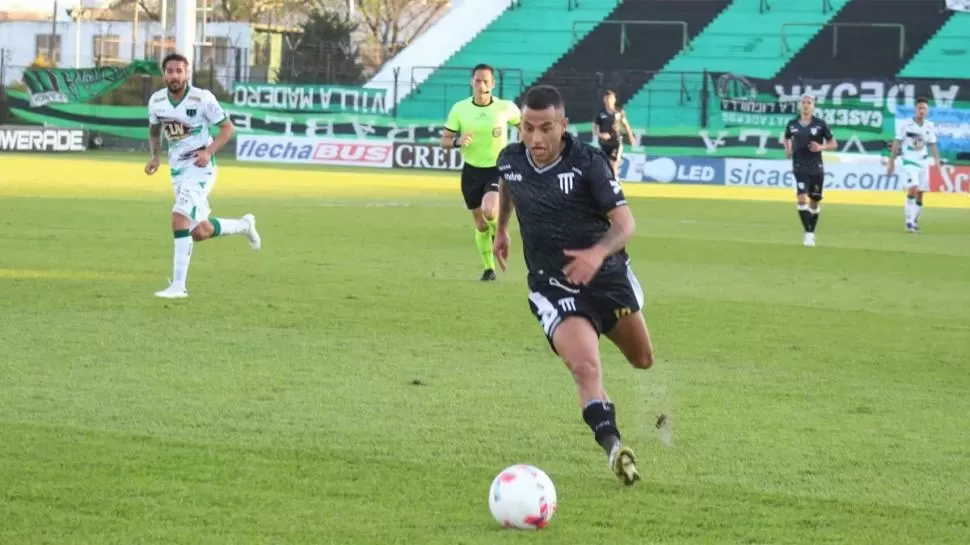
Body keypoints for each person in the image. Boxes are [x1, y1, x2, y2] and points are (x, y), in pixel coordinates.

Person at [492, 84, 655, 486]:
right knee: (585, 367)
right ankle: (615, 448)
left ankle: (608, 419)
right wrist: (502, 230)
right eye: (527, 128)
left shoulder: (589, 163)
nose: (535, 139)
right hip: (553, 285)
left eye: (545, 128)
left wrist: (597, 255)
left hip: (608, 278)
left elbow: (626, 224)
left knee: (641, 360)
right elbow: (509, 183)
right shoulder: (511, 159)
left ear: (563, 126)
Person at [145, 52, 261, 299]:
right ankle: (244, 225)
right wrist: (155, 156)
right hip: (178, 171)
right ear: (163, 74)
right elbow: (155, 130)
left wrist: (208, 151)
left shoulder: (202, 99)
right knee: (200, 231)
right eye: (170, 71)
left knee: (179, 219)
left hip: (201, 168)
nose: (174, 75)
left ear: (187, 73)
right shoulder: (156, 101)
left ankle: (178, 287)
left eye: (179, 71)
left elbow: (227, 128)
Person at [440, 64, 521, 281]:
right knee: (480, 223)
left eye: (486, 81)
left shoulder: (505, 108)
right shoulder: (460, 109)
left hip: (497, 169)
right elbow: (444, 141)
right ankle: (489, 269)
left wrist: (521, 149)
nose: (482, 85)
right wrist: (458, 141)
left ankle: (500, 232)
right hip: (471, 172)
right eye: (478, 81)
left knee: (490, 211)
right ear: (471, 82)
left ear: (493, 84)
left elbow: (524, 125)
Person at [783, 94, 837, 247]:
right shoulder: (792, 124)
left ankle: (811, 230)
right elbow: (786, 137)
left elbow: (834, 143)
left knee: (814, 201)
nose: (806, 105)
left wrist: (821, 147)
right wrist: (787, 149)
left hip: (816, 168)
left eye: (809, 103)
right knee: (801, 198)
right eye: (803, 102)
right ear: (800, 105)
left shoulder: (820, 124)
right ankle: (808, 233)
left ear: (813, 106)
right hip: (799, 166)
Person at [887, 97, 940, 233]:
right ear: (915, 109)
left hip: (923, 161)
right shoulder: (906, 125)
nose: (922, 111)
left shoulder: (930, 126)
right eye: (920, 108)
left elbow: (932, 144)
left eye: (925, 108)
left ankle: (914, 221)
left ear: (927, 111)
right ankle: (908, 222)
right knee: (913, 188)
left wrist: (937, 160)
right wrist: (891, 162)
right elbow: (897, 143)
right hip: (909, 161)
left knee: (921, 193)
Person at [593, 90, 635, 177]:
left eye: (611, 98)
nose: (609, 100)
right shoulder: (600, 114)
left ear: (614, 100)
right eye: (607, 98)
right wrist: (601, 135)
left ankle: (615, 183)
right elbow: (594, 129)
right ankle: (610, 182)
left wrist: (631, 136)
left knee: (614, 163)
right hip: (604, 144)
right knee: (605, 165)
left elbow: (626, 124)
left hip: (616, 142)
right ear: (604, 99)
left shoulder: (619, 112)